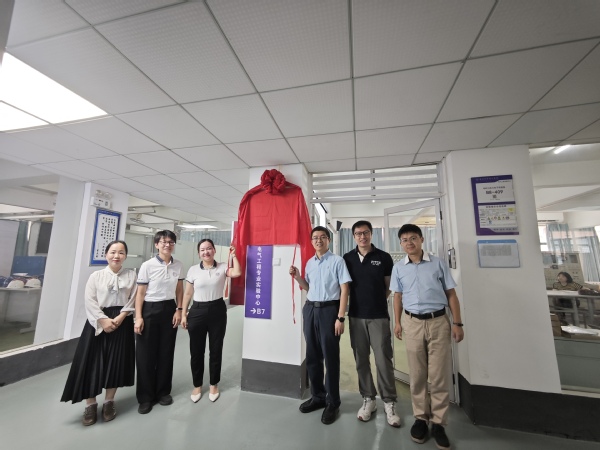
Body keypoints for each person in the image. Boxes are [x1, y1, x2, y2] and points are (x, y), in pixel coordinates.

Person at [390, 224, 464, 450]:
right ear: (400, 244)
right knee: (417, 374)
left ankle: (439, 423)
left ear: (421, 239)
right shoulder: (398, 268)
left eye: (413, 238)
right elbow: (397, 296)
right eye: (404, 240)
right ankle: (421, 418)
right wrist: (398, 322)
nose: (409, 242)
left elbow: (451, 294)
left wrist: (457, 323)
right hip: (412, 323)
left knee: (439, 375)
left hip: (438, 321)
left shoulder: (437, 263)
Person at [61, 240, 136, 426]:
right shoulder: (96, 276)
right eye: (113, 252)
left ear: (125, 256)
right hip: (97, 322)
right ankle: (91, 404)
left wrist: (121, 317)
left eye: (121, 252)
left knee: (116, 362)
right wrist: (103, 320)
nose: (116, 256)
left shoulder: (131, 275)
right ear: (106, 255)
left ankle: (109, 402)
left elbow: (134, 299)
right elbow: (90, 301)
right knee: (92, 362)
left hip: (122, 320)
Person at [289, 226, 351, 425]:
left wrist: (340, 317)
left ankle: (333, 402)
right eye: (315, 237)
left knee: (330, 357)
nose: (318, 240)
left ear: (328, 240)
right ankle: (318, 397)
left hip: (329, 311)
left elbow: (344, 289)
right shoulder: (310, 263)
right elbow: (308, 288)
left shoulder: (337, 261)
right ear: (311, 241)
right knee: (313, 356)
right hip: (310, 309)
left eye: (323, 237)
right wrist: (298, 277)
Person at [343, 220, 400, 427]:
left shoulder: (383, 257)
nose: (362, 236)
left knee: (383, 360)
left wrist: (377, 301)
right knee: (361, 359)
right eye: (358, 234)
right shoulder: (347, 258)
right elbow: (345, 287)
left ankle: (389, 402)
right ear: (354, 236)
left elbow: (389, 287)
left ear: (371, 234)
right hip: (356, 316)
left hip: (378, 316)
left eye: (365, 232)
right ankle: (368, 399)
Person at [181, 239, 241, 403]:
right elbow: (188, 294)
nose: (206, 252)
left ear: (214, 250)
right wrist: (184, 314)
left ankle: (214, 384)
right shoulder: (193, 270)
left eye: (209, 248)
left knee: (215, 349)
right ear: (199, 253)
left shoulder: (222, 267)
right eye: (202, 250)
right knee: (196, 351)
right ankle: (197, 385)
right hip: (197, 311)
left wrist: (234, 256)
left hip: (217, 310)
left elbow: (237, 272)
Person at [134, 230, 184, 414]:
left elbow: (179, 289)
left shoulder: (178, 265)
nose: (167, 245)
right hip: (149, 309)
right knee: (145, 355)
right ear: (156, 245)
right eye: (163, 242)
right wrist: (139, 317)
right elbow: (140, 294)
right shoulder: (147, 265)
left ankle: (163, 392)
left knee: (166, 352)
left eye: (171, 242)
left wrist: (179, 309)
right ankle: (145, 397)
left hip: (169, 309)